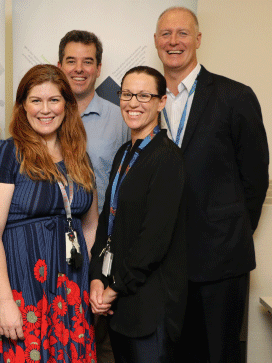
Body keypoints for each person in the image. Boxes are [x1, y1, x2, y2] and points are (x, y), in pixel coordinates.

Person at [154, 7, 269, 363]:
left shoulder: (235, 96)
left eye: (183, 33)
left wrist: (229, 232)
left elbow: (255, 177)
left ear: (198, 39)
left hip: (220, 259)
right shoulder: (144, 100)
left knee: (219, 354)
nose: (174, 41)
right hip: (163, 265)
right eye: (166, 34)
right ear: (156, 42)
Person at [0, 64, 99, 362]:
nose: (46, 110)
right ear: (23, 106)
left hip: (71, 290)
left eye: (54, 100)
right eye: (36, 100)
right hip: (21, 287)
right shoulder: (6, 153)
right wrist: (4, 301)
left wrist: (87, 278)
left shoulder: (78, 155)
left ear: (67, 106)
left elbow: (91, 224)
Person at [90, 66, 187, 362]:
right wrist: (96, 277)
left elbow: (153, 240)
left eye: (144, 95)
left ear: (161, 102)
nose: (133, 103)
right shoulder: (125, 153)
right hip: (120, 301)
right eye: (127, 94)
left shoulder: (167, 158)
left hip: (149, 304)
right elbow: (108, 220)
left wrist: (114, 287)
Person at [58, 29, 130, 363]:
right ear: (59, 65)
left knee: (102, 333)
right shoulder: (43, 113)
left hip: (104, 243)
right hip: (50, 242)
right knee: (58, 331)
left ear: (99, 68)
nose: (79, 69)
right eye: (71, 61)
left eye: (88, 62)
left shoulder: (121, 118)